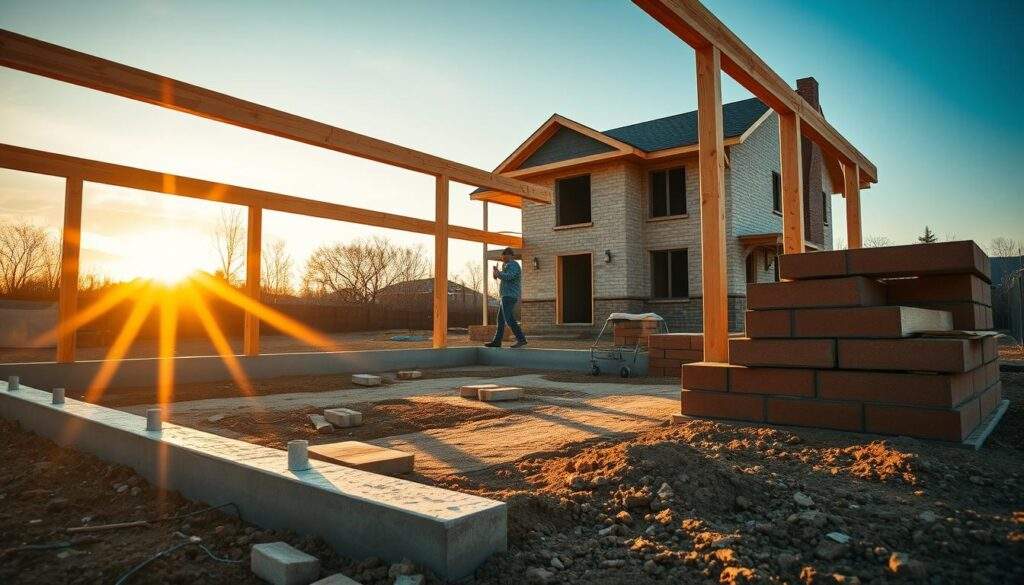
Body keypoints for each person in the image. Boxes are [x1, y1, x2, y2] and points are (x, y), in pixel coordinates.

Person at [485, 247, 527, 348]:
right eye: (502, 258)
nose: (503, 259)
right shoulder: (506, 265)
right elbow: (498, 277)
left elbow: (508, 276)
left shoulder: (514, 265)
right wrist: (495, 272)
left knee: (508, 318)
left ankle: (521, 339)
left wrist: (499, 273)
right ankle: (497, 341)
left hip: (510, 295)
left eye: (504, 257)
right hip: (504, 295)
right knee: (500, 320)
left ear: (510, 256)